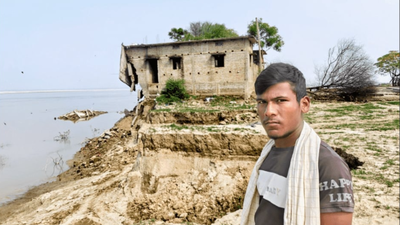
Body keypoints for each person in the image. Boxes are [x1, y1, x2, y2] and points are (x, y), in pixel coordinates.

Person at [241, 63, 354, 225]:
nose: (268, 111)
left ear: (304, 104)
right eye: (262, 102)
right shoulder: (267, 154)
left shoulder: (328, 166)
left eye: (280, 100)